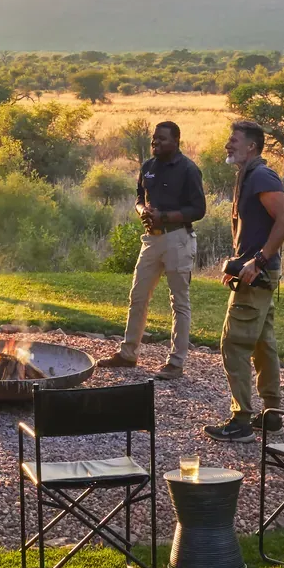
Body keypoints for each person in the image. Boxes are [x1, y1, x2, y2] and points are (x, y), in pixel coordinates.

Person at [206, 119, 284, 440]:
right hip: (253, 273)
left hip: (256, 276)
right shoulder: (249, 175)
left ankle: (241, 420)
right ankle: (272, 415)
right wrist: (237, 263)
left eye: (234, 140)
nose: (228, 144)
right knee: (261, 343)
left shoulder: (261, 176)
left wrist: (257, 261)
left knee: (234, 344)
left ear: (252, 146)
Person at [100, 121, 205, 379]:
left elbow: (198, 209)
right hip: (151, 239)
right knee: (138, 296)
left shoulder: (188, 169)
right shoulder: (148, 167)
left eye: (162, 139)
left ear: (176, 141)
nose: (156, 143)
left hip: (177, 239)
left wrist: (166, 217)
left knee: (179, 302)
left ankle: (176, 362)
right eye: (154, 139)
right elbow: (138, 198)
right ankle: (128, 354)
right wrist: (142, 211)